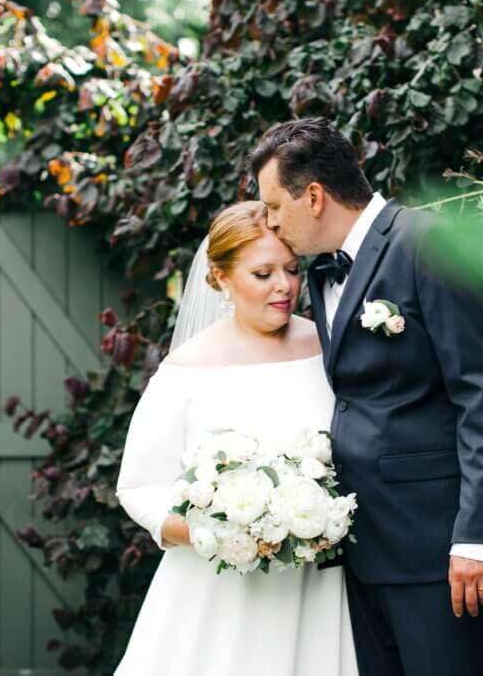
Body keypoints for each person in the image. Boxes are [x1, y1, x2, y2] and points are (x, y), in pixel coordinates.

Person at [249, 117, 483, 676]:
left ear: (315, 196)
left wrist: (476, 539)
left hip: (441, 555)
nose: (271, 224)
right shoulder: (321, 275)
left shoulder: (431, 244)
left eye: (275, 207)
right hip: (365, 552)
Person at [114, 201, 358, 675]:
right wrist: (219, 532)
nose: (285, 286)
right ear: (222, 278)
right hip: (219, 593)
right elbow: (138, 487)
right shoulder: (186, 370)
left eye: (290, 269)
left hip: (318, 588)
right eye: (263, 273)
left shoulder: (327, 349)